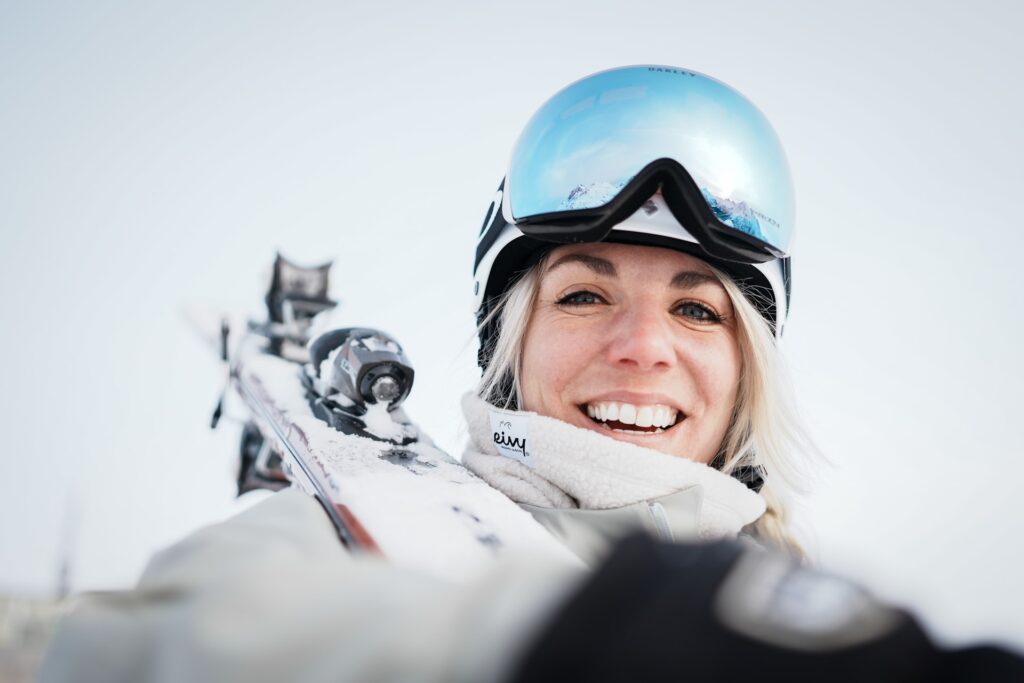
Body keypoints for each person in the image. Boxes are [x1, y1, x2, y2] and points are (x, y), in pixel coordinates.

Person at [40, 66, 1024, 682]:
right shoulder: (343, 535)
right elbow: (133, 645)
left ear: (747, 370)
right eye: (585, 296)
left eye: (695, 307)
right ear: (510, 344)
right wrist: (568, 634)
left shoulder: (800, 600)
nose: (643, 346)